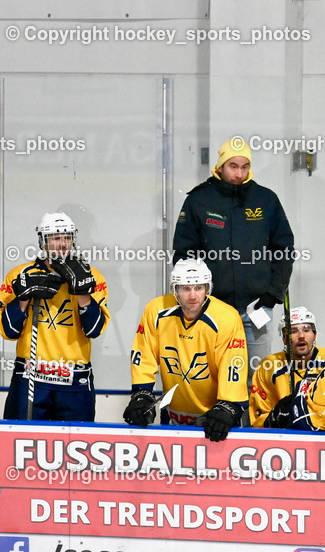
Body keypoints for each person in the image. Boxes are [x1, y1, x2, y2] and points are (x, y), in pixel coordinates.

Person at [172, 137, 295, 368]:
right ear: (219, 167)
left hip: (257, 309)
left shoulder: (266, 200)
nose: (239, 174)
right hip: (211, 308)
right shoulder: (198, 200)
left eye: (245, 166)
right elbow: (183, 255)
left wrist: (272, 295)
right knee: (211, 374)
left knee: (255, 375)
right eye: (233, 166)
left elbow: (284, 250)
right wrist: (194, 297)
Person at [0, 212, 110, 421]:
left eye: (67, 237)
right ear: (43, 241)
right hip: (30, 375)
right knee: (20, 443)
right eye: (55, 238)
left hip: (75, 378)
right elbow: (8, 330)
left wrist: (83, 293)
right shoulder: (20, 274)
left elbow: (95, 330)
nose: (63, 244)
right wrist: (22, 298)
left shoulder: (92, 276)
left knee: (75, 446)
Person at [124, 258, 248, 441]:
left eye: (198, 288)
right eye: (185, 288)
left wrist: (228, 406)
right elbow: (144, 354)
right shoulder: (156, 310)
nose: (192, 296)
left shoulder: (226, 317)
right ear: (175, 290)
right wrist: (142, 392)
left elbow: (233, 365)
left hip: (214, 417)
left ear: (208, 289)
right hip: (173, 414)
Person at [251, 307, 325, 428]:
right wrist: (274, 416)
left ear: (315, 335)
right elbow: (257, 419)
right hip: (284, 439)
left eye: (306, 330)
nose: (301, 336)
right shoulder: (268, 366)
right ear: (284, 339)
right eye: (294, 331)